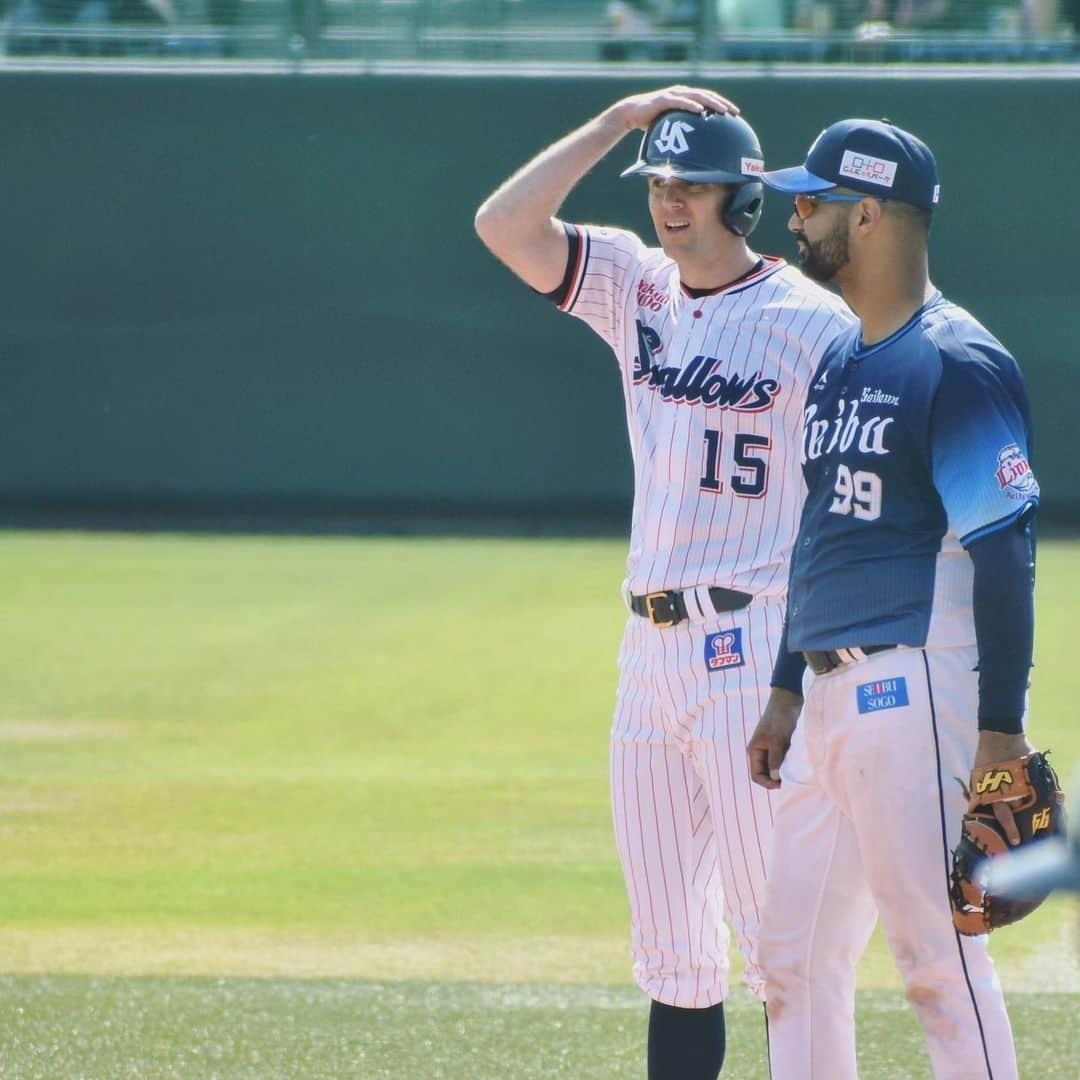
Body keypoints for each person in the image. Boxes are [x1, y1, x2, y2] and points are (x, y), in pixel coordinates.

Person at [474, 86, 854, 1079]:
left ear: (744, 197)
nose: (670, 200)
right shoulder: (631, 284)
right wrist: (613, 126)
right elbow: (503, 224)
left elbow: (860, 488)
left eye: (694, 184)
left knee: (779, 947)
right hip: (644, 656)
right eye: (661, 182)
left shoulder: (811, 324)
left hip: (750, 642)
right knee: (675, 959)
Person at [746, 118, 1042, 1079]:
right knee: (789, 964)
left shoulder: (956, 362)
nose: (795, 217)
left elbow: (1006, 554)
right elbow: (819, 535)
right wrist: (788, 687)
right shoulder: (842, 359)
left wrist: (1000, 732)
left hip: (914, 686)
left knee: (936, 965)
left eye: (813, 200)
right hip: (828, 699)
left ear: (867, 214)